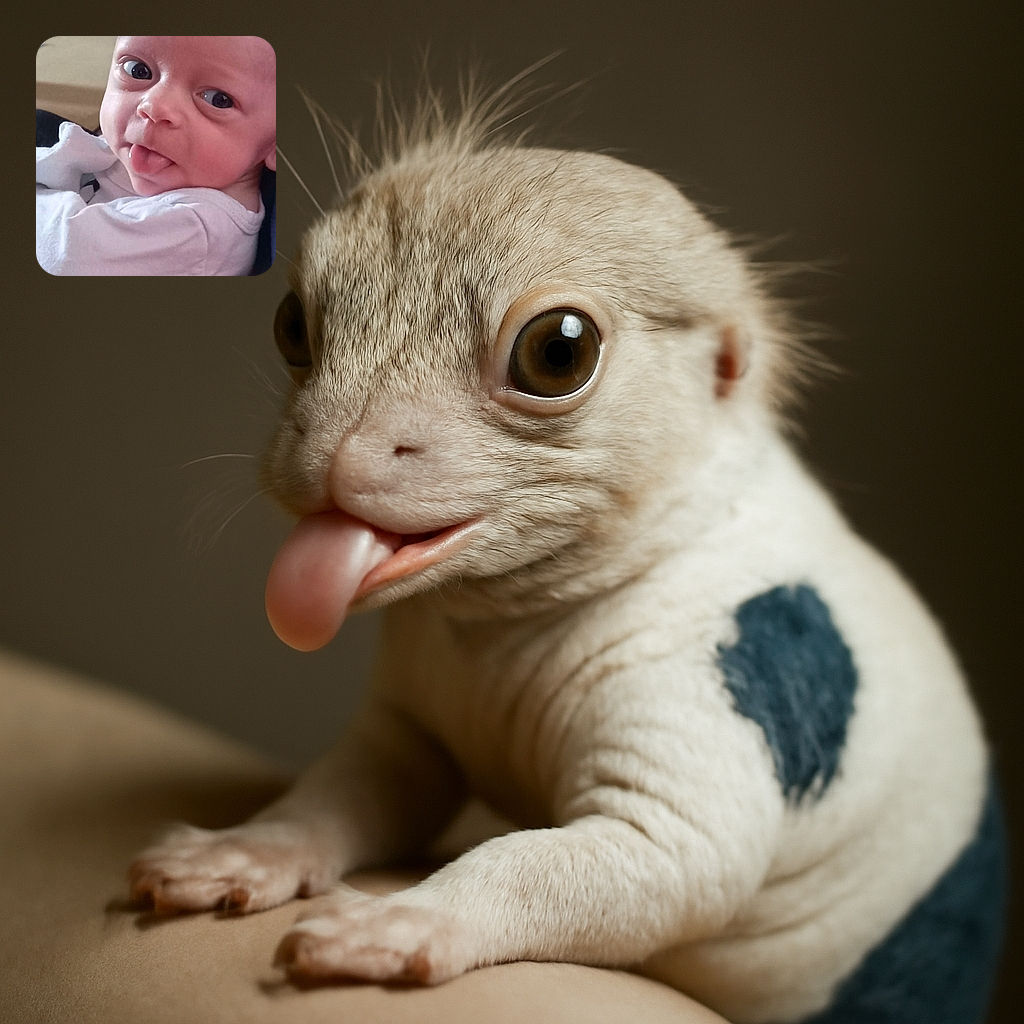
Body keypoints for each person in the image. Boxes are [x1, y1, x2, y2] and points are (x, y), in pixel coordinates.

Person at [36, 36, 276, 276]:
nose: (153, 106)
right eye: (138, 70)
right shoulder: (185, 164)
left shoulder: (196, 229)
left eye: (218, 100)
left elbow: (62, 251)